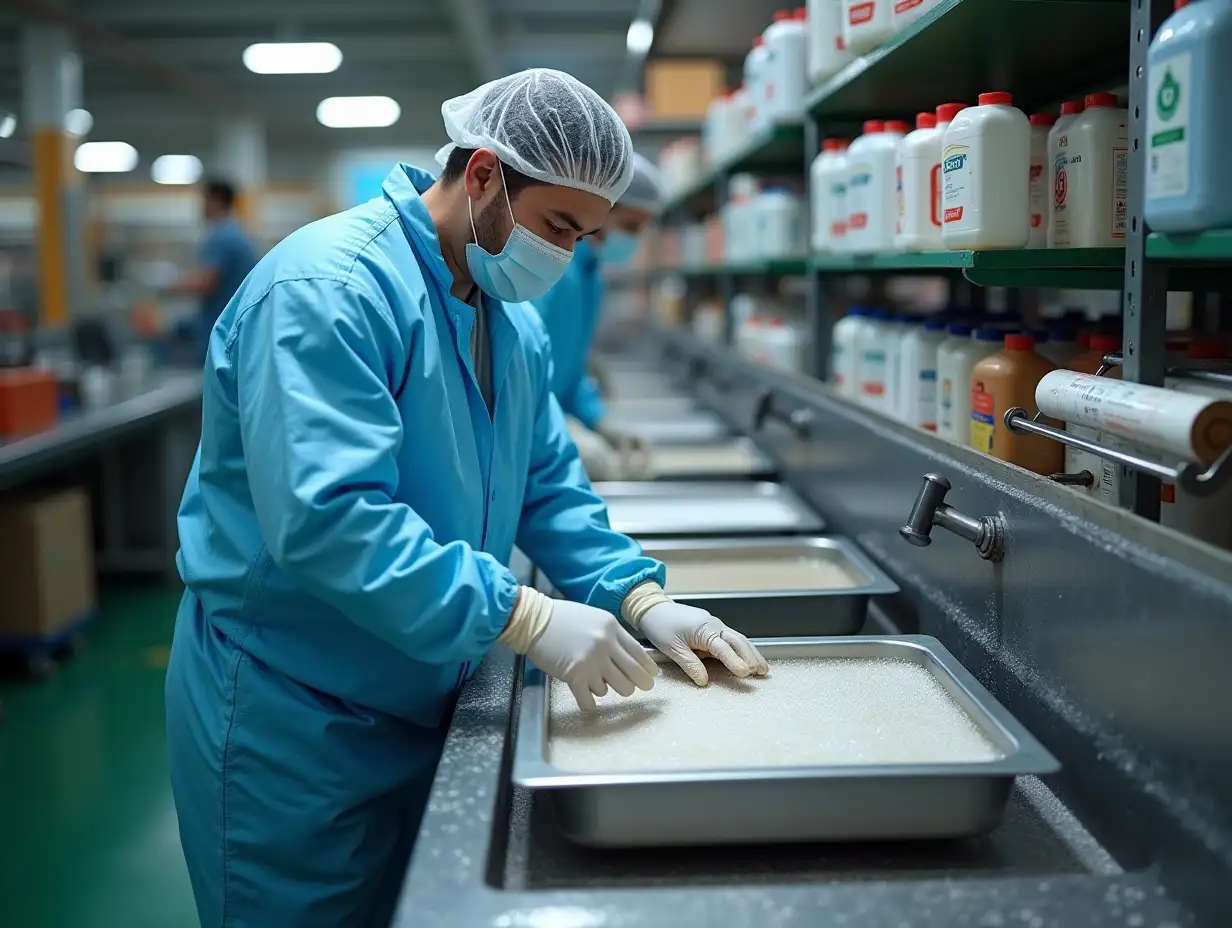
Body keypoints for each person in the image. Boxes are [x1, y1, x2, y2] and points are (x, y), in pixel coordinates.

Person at [164, 68, 767, 928]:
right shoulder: (330, 292)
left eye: (585, 236)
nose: (564, 257)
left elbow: (546, 485)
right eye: (559, 225)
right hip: (291, 716)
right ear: (482, 174)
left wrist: (637, 594)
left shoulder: (503, 314)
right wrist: (522, 615)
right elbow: (330, 522)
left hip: (423, 684)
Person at [534, 152, 665, 479]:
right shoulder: (550, 269)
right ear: (601, 211)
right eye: (629, 226)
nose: (633, 240)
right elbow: (517, 371)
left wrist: (600, 422)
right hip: (531, 430)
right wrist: (559, 428)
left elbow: (570, 371)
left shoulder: (591, 275)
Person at [171, 178, 257, 348]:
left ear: (215, 200)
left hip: (224, 326)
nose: (201, 206)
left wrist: (166, 285)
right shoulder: (235, 231)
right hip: (236, 325)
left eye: (204, 200)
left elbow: (205, 284)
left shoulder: (222, 236)